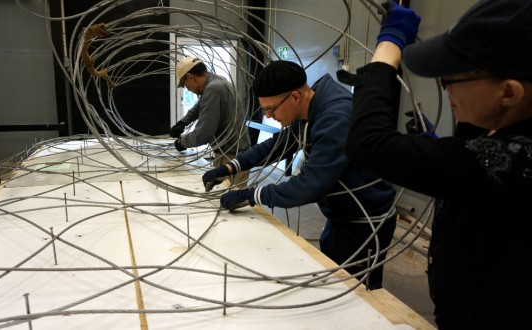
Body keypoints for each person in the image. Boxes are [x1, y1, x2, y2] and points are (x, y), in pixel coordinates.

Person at [342, 0, 532, 328]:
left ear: (509, 92)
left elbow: (366, 143)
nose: (445, 88)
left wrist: (388, 49)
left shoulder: (510, 160)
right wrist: (447, 148)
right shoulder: (511, 127)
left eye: (452, 79)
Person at [203, 60, 398, 290]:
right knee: (332, 275)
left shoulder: (335, 117)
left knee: (354, 294)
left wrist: (252, 194)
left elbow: (309, 185)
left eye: (271, 109)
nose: (269, 115)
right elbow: (279, 144)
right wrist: (230, 167)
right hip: (340, 214)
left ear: (295, 96)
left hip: (365, 220)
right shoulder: (310, 104)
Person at [172, 56, 251, 188]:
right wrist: (183, 122)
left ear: (191, 77)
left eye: (185, 86)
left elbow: (203, 134)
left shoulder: (213, 89)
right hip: (231, 154)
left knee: (229, 203)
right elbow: (201, 104)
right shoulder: (217, 82)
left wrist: (182, 142)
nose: (187, 89)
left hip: (231, 158)